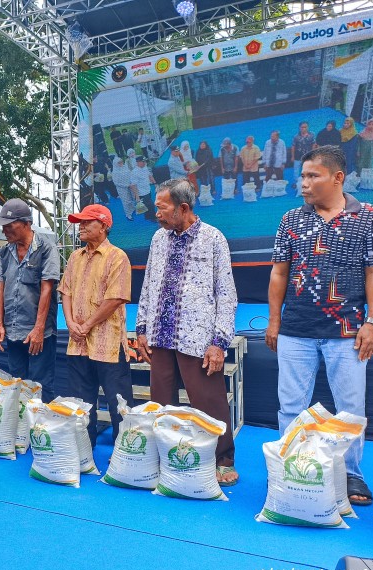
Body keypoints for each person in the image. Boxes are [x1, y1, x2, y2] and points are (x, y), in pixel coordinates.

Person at [266, 146, 373, 507]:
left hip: (348, 332)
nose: (303, 183)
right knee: (290, 406)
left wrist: (372, 322)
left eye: (312, 176)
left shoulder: (369, 216)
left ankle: (351, 473)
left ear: (337, 178)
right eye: (302, 176)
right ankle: (290, 467)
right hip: (295, 330)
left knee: (350, 408)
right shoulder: (291, 218)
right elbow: (279, 272)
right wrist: (274, 320)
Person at [136, 179, 239, 486]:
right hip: (160, 336)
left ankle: (223, 458)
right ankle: (165, 455)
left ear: (183, 208)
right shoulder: (158, 238)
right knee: (161, 401)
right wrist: (141, 327)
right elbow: (148, 284)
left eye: (161, 207)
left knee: (210, 401)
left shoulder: (213, 239)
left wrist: (219, 341)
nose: (156, 213)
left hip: (197, 337)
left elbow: (227, 293)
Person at [58, 203, 132, 448]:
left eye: (87, 221)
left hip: (108, 344)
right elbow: (65, 292)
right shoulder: (74, 257)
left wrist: (86, 325)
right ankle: (82, 450)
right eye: (79, 221)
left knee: (118, 402)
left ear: (103, 226)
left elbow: (115, 298)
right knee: (80, 401)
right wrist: (70, 322)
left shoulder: (117, 257)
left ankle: (124, 454)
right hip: (77, 343)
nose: (81, 226)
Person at [0, 199, 60, 402]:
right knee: (17, 384)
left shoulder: (46, 249)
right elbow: (0, 287)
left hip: (38, 333)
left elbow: (47, 289)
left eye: (9, 225)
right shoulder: (5, 252)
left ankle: (42, 431)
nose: (4, 230)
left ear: (26, 223)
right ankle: (22, 430)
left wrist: (39, 328)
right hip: (13, 331)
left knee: (40, 385)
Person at [290, 122, 316, 187]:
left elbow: (314, 144)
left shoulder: (312, 135)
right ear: (299, 128)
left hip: (308, 156)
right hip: (297, 156)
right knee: (296, 170)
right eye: (302, 127)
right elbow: (293, 146)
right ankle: (296, 183)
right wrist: (292, 156)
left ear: (308, 127)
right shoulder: (296, 136)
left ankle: (310, 182)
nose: (303, 128)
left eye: (305, 127)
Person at [131, 156, 156, 221]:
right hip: (141, 193)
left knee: (146, 205)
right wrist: (137, 196)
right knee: (151, 205)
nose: (144, 163)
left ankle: (147, 216)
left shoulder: (145, 168)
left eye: (145, 161)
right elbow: (133, 185)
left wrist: (155, 184)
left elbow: (149, 175)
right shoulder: (134, 172)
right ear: (138, 162)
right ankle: (154, 218)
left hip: (147, 190)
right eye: (143, 161)